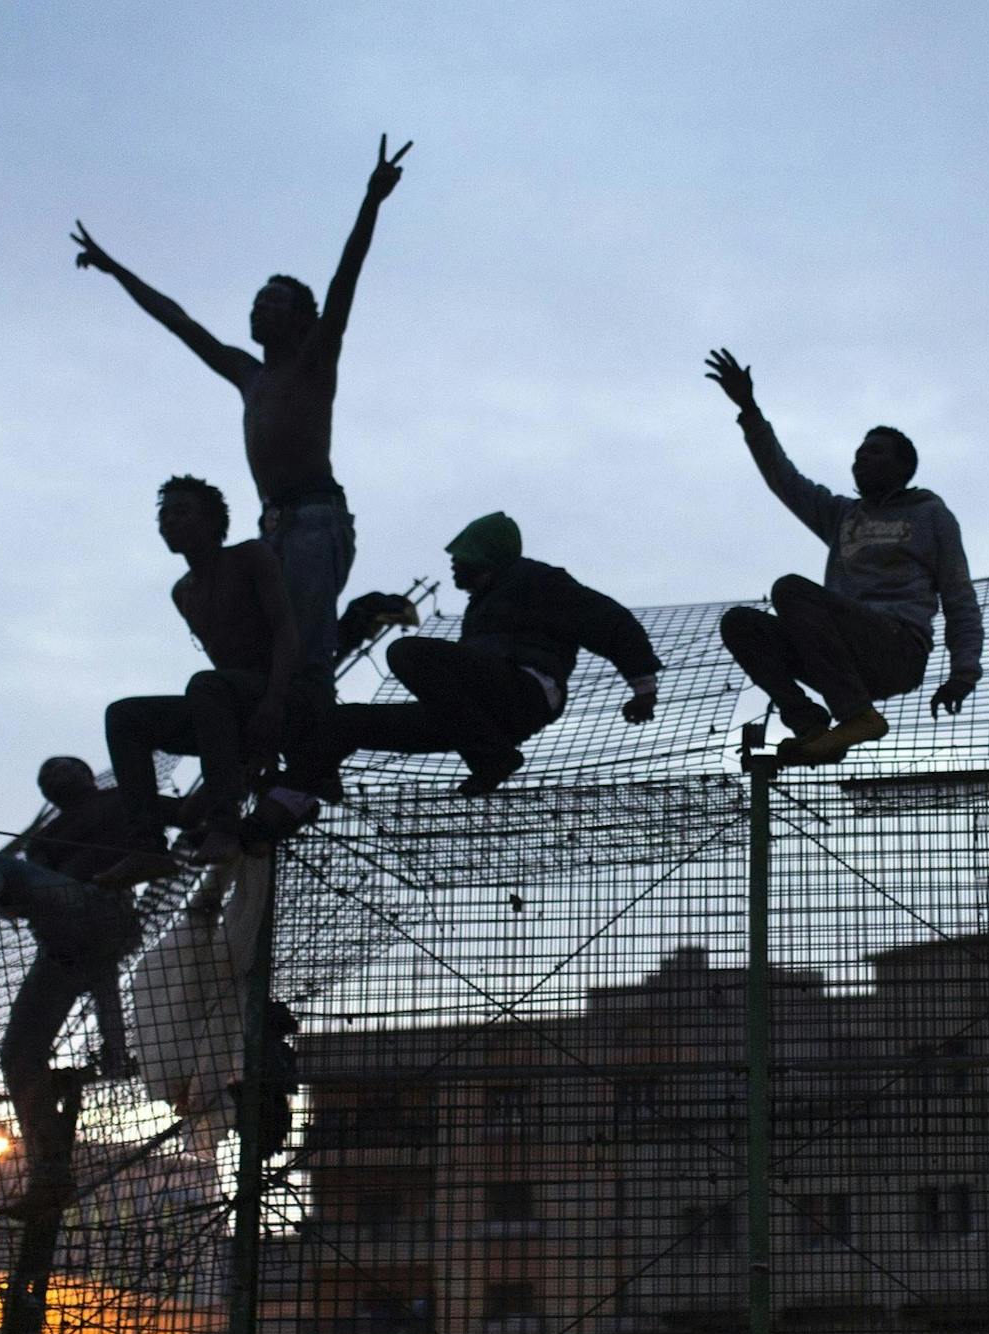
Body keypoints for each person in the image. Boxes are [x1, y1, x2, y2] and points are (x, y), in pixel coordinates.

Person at [71, 135, 412, 706]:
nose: (259, 309)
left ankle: (313, 756)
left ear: (304, 320)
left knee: (307, 650)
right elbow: (179, 322)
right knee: (272, 645)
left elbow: (343, 281)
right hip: (273, 526)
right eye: (256, 302)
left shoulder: (313, 362)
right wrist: (113, 268)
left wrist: (371, 201)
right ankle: (278, 738)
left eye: (274, 304)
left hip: (314, 518)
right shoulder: (248, 375)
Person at [245, 511, 661, 837]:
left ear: (483, 553)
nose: (452, 564)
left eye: (459, 555)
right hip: (474, 717)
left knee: (407, 652)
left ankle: (491, 757)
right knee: (344, 721)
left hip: (523, 691)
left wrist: (642, 685)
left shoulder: (534, 579)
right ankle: (281, 810)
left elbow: (608, 620)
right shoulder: (482, 604)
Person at [702, 348, 983, 765]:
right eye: (859, 452)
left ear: (903, 466)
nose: (861, 457)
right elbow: (785, 478)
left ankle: (856, 716)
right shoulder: (842, 516)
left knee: (791, 590)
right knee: (742, 624)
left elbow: (959, 598)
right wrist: (749, 409)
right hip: (837, 654)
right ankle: (812, 726)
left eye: (875, 452)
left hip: (896, 649)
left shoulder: (930, 515)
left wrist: (963, 673)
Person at [0, 757, 150, 1220]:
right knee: (18, 1055)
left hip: (97, 904)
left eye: (64, 770)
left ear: (87, 777)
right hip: (67, 941)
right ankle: (49, 1175)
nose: (54, 778)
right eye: (47, 775)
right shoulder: (45, 840)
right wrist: (115, 1043)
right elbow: (31, 909)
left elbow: (177, 816)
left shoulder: (121, 801)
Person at [102, 476, 313, 869]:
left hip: (281, 693)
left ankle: (224, 824)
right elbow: (222, 668)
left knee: (207, 685)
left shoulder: (251, 556)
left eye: (182, 511)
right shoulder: (183, 592)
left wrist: (274, 702)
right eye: (164, 515)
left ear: (214, 521)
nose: (169, 522)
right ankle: (146, 843)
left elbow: (286, 631)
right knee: (125, 715)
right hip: (226, 702)